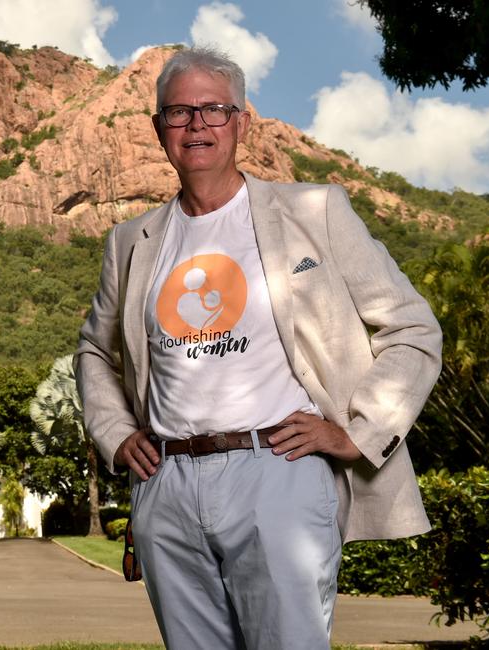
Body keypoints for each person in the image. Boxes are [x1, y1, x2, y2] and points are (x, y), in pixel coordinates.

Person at [75, 46, 442, 650]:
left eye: (214, 110)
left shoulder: (314, 212)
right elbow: (94, 349)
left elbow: (412, 327)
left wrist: (357, 430)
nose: (197, 125)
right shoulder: (130, 242)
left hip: (276, 471)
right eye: (180, 112)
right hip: (165, 483)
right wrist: (115, 434)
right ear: (158, 128)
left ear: (242, 123)